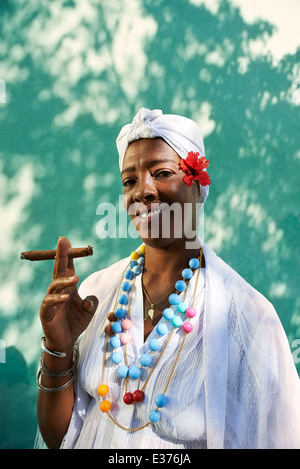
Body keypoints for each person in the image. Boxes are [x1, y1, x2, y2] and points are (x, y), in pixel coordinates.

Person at [36, 108, 300, 449]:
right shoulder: (95, 295)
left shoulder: (247, 316)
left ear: (197, 185)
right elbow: (63, 439)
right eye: (129, 180)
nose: (141, 192)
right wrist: (58, 347)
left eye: (161, 173)